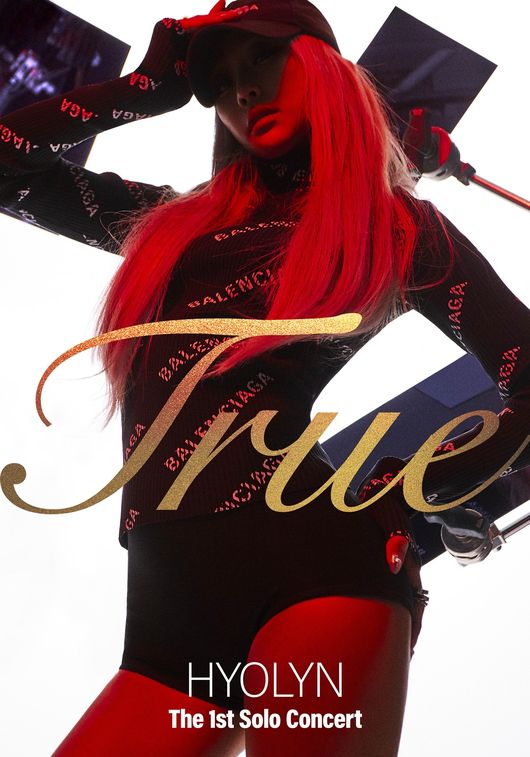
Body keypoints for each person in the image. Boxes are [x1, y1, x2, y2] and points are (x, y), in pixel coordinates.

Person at [1, 1, 529, 754]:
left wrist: (435, 476)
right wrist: (144, 89)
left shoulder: (391, 226)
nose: (242, 89)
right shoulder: (169, 227)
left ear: (323, 67)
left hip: (319, 568)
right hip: (168, 616)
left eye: (262, 58)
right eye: (218, 82)